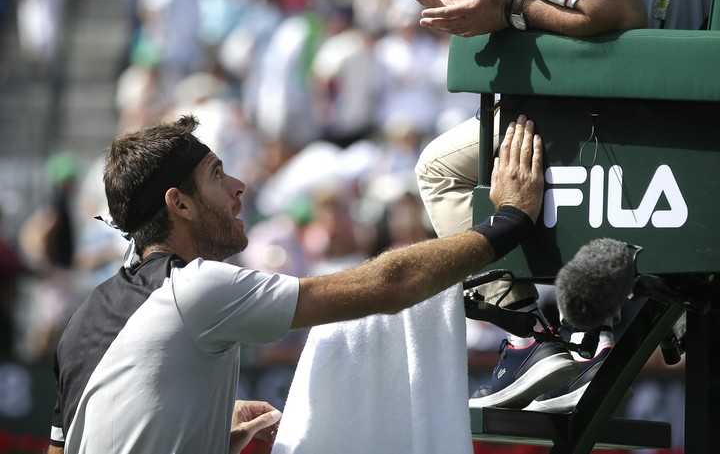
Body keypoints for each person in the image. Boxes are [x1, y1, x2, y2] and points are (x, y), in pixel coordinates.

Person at [383, 0, 713, 411]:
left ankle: (532, 340)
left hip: (639, 131)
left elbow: (614, 11)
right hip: (685, 118)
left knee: (439, 171)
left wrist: (503, 8)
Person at [48, 111, 544, 453]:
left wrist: (204, 431)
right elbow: (391, 286)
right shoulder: (194, 290)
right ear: (179, 204)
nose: (239, 187)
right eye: (217, 175)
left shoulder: (80, 320)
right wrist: (507, 222)